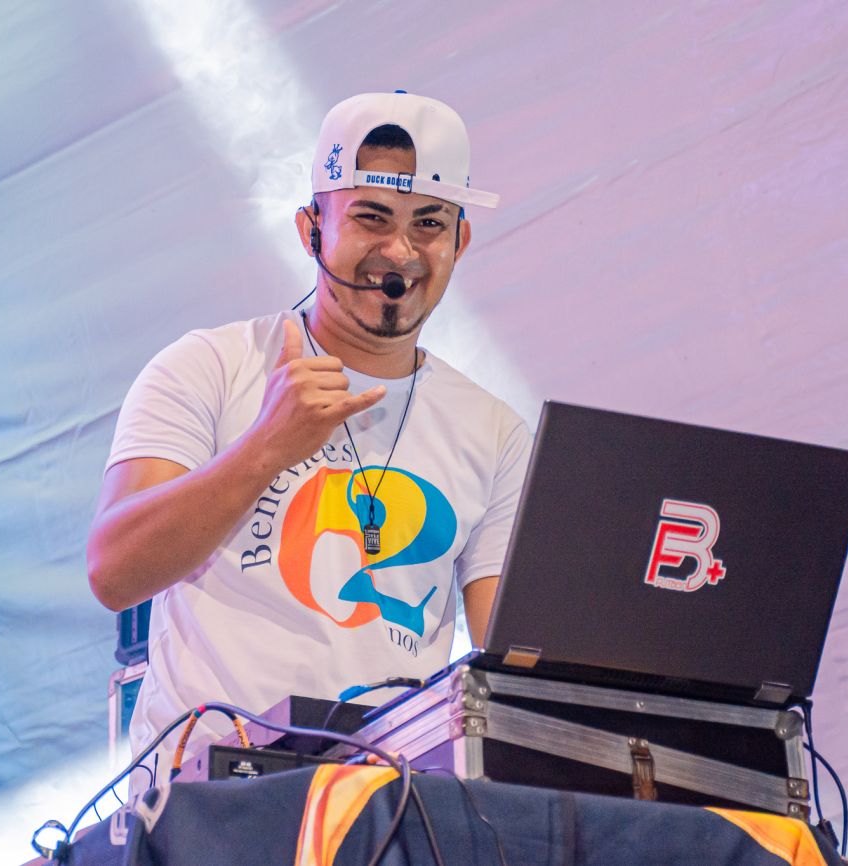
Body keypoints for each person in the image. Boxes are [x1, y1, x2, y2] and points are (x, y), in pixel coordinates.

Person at [87, 91, 531, 775]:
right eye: (371, 217)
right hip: (208, 797)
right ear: (312, 229)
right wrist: (268, 445)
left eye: (429, 224)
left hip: (388, 801)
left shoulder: (494, 431)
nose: (400, 251)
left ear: (459, 243)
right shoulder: (210, 366)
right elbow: (115, 572)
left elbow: (516, 664)